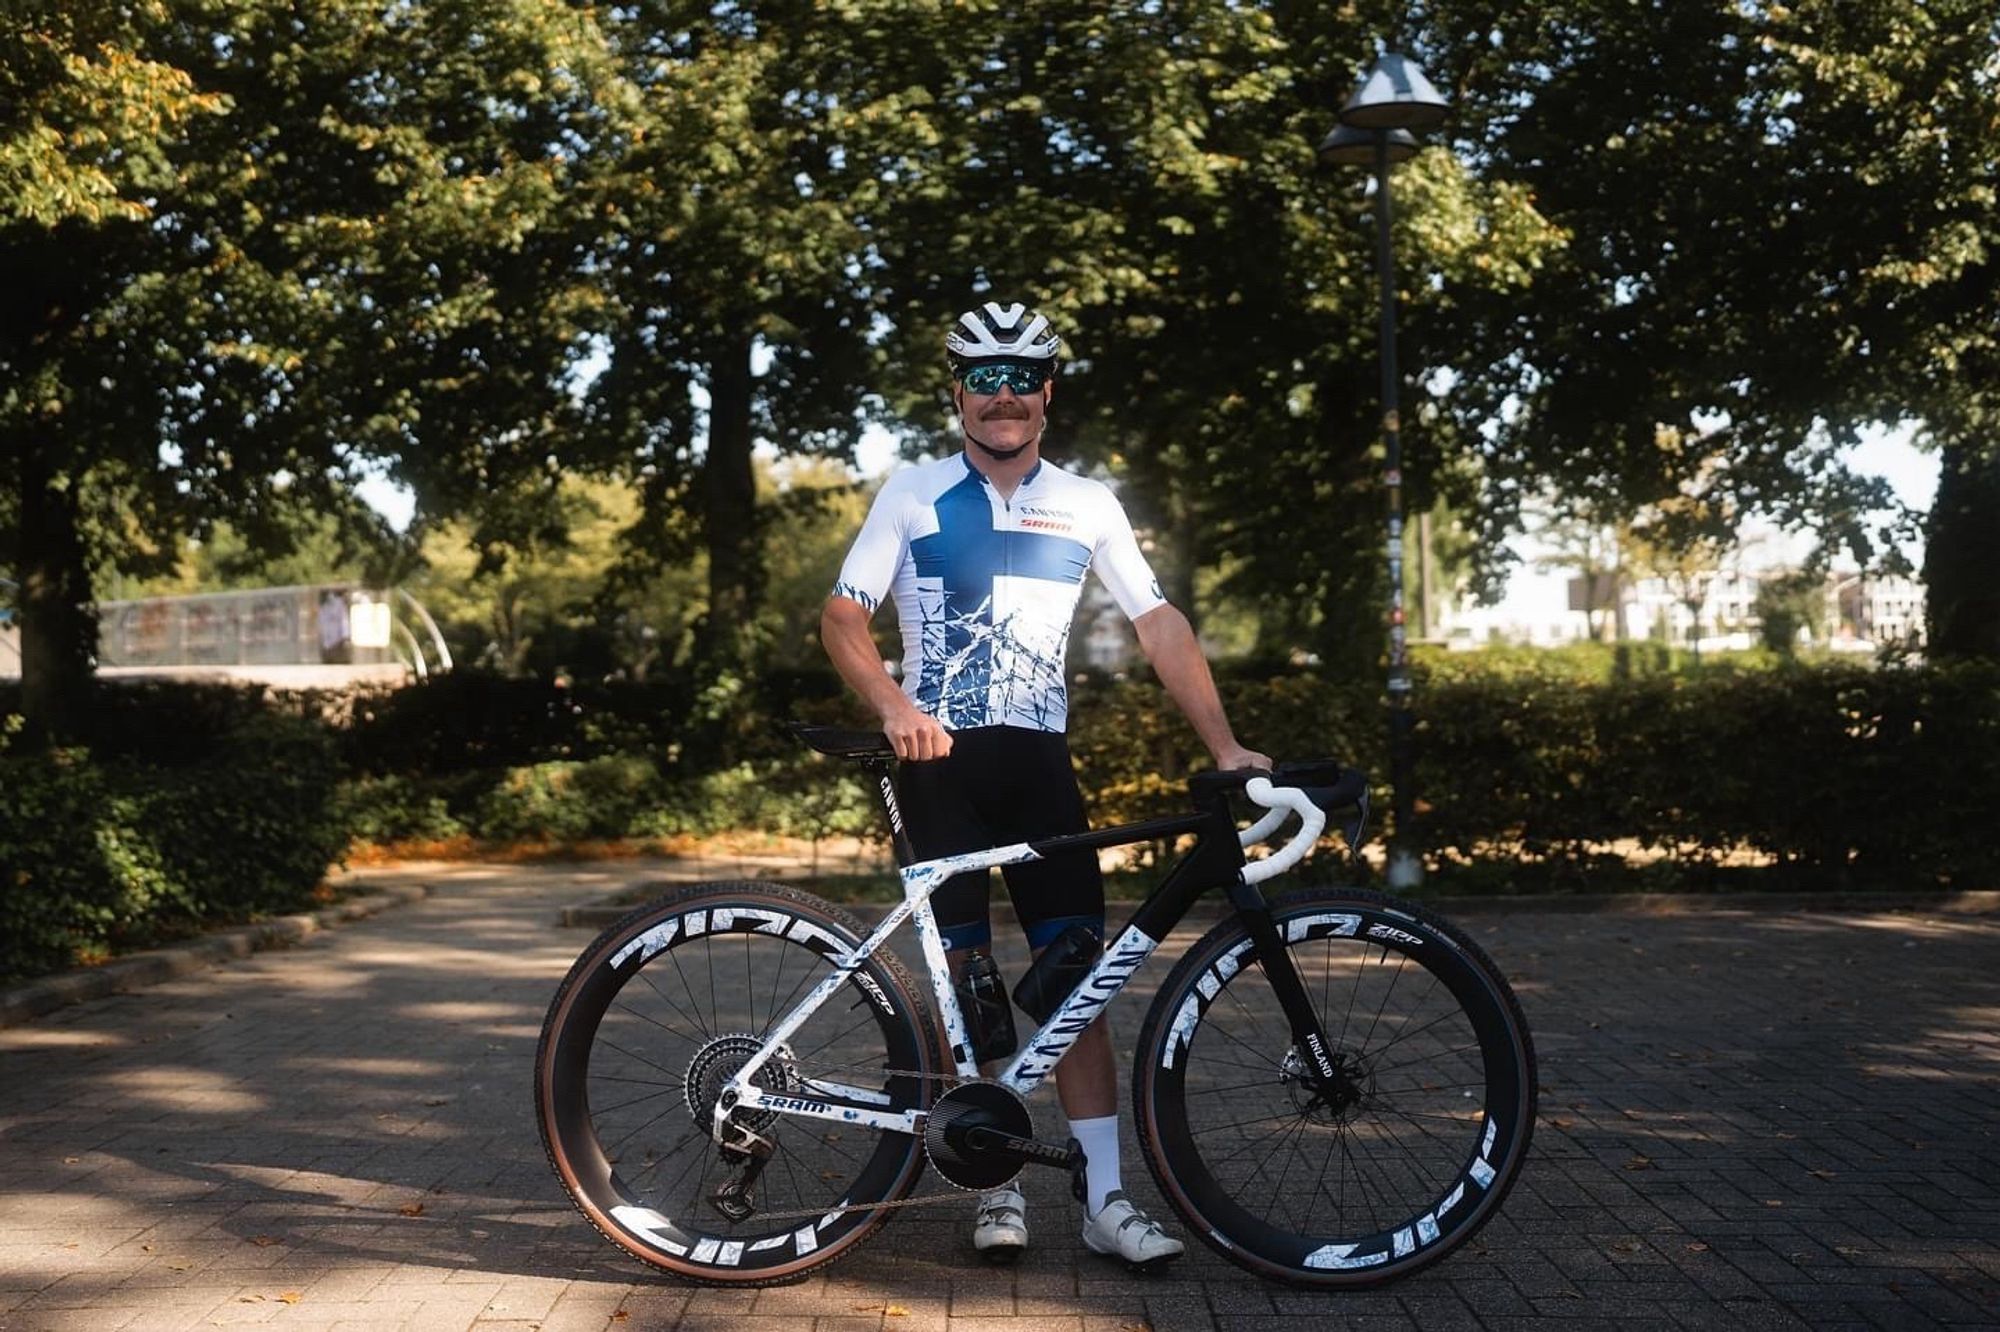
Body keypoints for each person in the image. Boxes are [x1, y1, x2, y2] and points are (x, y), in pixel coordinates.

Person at [821, 300, 1270, 1270]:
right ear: (955, 393)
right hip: (939, 768)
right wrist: (894, 704)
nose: (1003, 396)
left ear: (1048, 391)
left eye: (1022, 377)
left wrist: (1227, 747)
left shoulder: (1088, 503)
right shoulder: (911, 492)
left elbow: (1156, 623)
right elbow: (842, 617)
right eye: (982, 379)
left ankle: (1106, 1202)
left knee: (1075, 990)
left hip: (1038, 768)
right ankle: (995, 1189)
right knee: (967, 995)